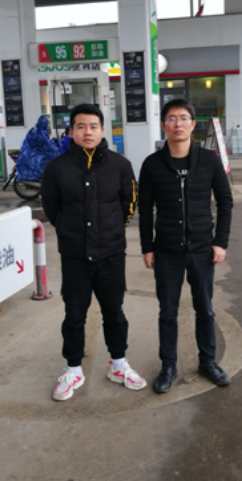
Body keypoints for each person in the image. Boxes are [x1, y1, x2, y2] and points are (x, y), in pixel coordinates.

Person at [41, 103, 146, 401]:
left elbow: (129, 203)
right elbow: (52, 207)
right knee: (74, 314)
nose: (87, 132)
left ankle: (118, 365)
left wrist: (111, 230)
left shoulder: (120, 165)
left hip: (111, 254)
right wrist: (70, 230)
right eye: (81, 126)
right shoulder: (56, 168)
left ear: (102, 130)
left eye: (93, 126)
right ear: (71, 131)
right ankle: (73, 369)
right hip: (74, 256)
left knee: (114, 312)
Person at [138, 99, 233, 393]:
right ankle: (168, 366)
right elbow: (145, 210)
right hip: (166, 252)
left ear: (193, 124)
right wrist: (147, 247)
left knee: (205, 309)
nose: (177, 124)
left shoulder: (209, 161)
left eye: (183, 118)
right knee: (167, 312)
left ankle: (208, 362)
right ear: (163, 125)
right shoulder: (152, 164)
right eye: (171, 118)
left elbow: (225, 202)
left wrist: (220, 242)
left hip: (202, 250)